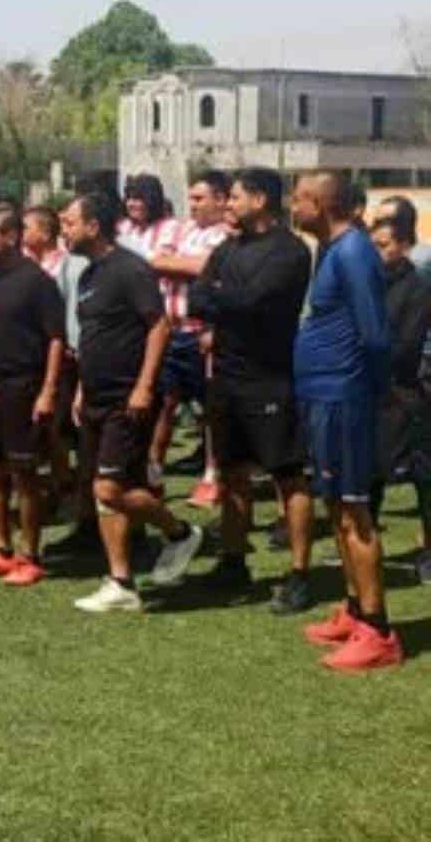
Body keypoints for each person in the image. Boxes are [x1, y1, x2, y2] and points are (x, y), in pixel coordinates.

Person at [61, 193, 204, 613]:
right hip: (96, 396)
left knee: (109, 486)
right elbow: (94, 337)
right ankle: (121, 582)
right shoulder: (89, 275)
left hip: (129, 397)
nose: (63, 229)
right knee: (113, 491)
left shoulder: (130, 268)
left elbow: (158, 326)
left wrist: (144, 386)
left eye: (69, 222)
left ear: (94, 225)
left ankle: (179, 533)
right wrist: (84, 388)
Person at [188, 167, 315, 611]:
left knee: (287, 475)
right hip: (225, 376)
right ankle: (233, 559)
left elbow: (254, 301)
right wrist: (225, 295)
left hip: (269, 378)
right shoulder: (227, 247)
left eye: (236, 197)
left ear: (260, 200)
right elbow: (197, 298)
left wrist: (225, 296)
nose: (228, 205)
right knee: (232, 472)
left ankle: (300, 573)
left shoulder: (290, 251)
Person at [291, 171, 402, 670]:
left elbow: (375, 335)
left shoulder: (355, 252)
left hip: (344, 397)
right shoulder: (330, 250)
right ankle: (356, 611)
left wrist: (374, 393)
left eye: (298, 199)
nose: (292, 207)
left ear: (319, 204)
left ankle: (379, 630)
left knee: (355, 509)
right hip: (322, 395)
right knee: (335, 505)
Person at [0, 205, 65, 586]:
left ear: (11, 237)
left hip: (23, 386)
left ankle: (30, 553)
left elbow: (56, 338)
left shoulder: (37, 282)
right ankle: (1, 550)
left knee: (24, 473)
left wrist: (48, 391)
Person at [147, 171, 232, 508]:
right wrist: (178, 264)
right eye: (191, 198)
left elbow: (205, 268)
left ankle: (213, 474)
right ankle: (153, 472)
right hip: (171, 329)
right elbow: (155, 259)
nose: (192, 205)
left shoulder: (226, 235)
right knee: (164, 403)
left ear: (220, 200)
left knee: (210, 409)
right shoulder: (180, 229)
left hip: (202, 333)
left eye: (199, 199)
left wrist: (175, 263)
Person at [22, 205, 89, 525]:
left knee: (58, 427)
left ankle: (66, 487)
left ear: (44, 234)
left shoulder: (63, 265)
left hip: (59, 358)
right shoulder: (25, 265)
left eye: (27, 228)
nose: (22, 235)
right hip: (30, 357)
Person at [368, 218, 431, 527]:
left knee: (420, 475)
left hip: (403, 394)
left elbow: (407, 346)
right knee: (370, 476)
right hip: (370, 392)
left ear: (404, 246)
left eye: (383, 246)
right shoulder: (369, 284)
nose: (375, 253)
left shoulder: (416, 287)